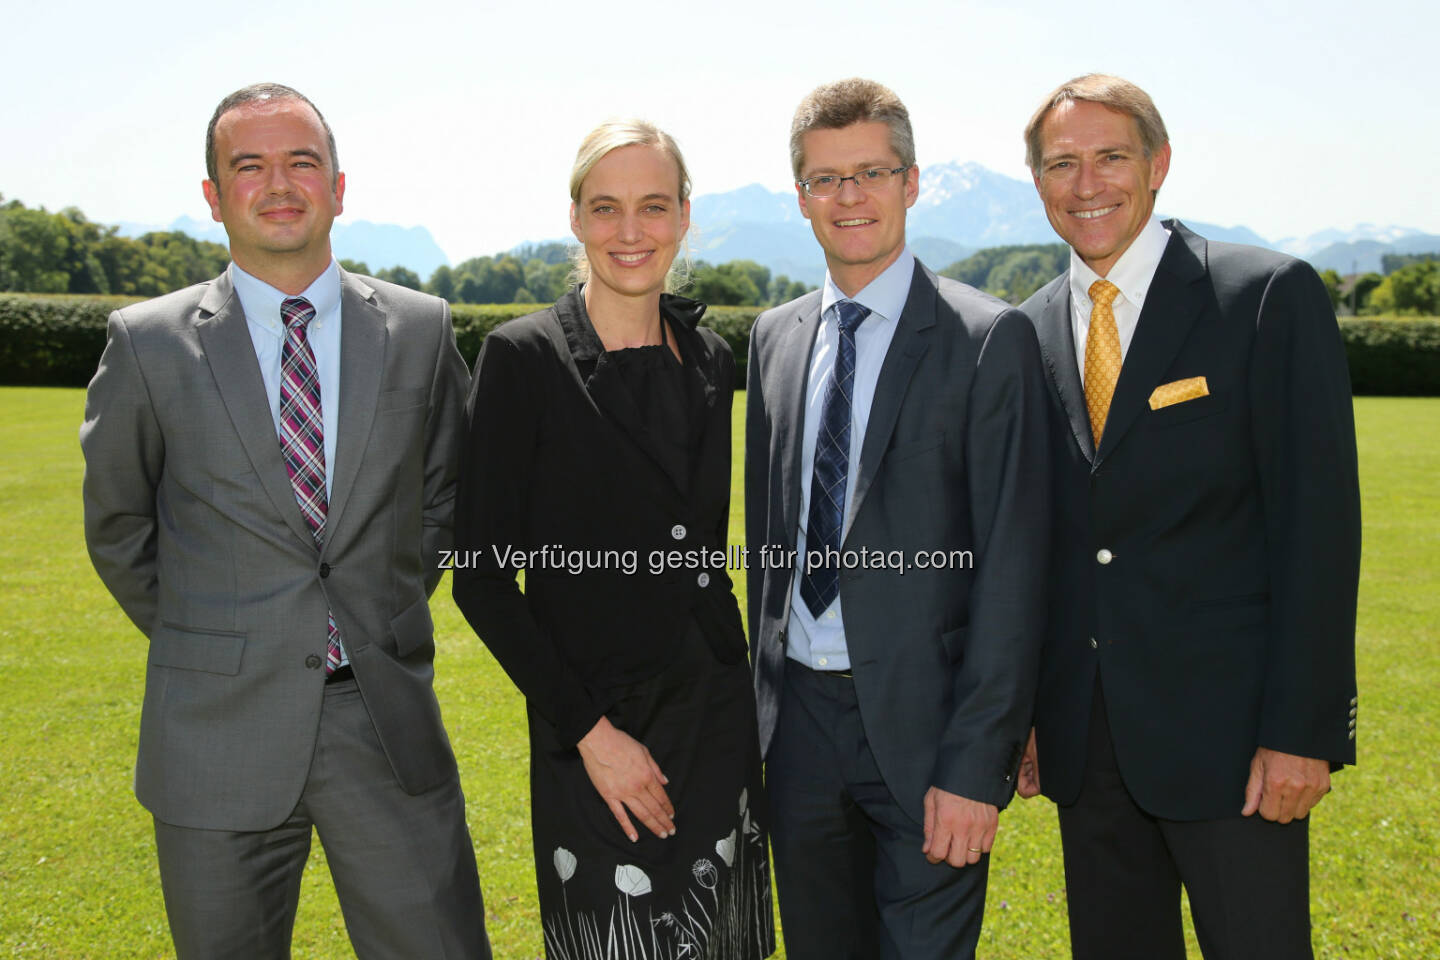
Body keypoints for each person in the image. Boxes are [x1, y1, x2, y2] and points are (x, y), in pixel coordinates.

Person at [79, 83, 489, 959]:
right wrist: (221, 636)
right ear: (213, 195)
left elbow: (446, 498)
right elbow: (119, 527)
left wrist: (378, 610)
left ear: (338, 186)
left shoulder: (420, 329)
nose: (279, 184)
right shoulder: (147, 343)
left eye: (302, 161)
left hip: (381, 721)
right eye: (249, 165)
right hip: (214, 732)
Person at [1015, 73, 1361, 960]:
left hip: (1235, 745)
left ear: (1159, 163)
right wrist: (1025, 716)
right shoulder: (1027, 331)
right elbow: (1037, 544)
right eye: (1062, 163)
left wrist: (1302, 734)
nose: (1086, 183)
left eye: (1110, 157)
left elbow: (1319, 534)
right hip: (1087, 752)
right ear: (1039, 180)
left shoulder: (1264, 297)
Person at [451, 119, 775, 960]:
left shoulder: (707, 354)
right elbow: (481, 581)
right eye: (607, 208)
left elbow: (703, 556)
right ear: (575, 217)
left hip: (717, 727)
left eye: (653, 207)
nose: (630, 232)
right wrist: (592, 736)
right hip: (595, 738)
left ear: (684, 217)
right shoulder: (521, 359)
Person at [744, 77, 1049, 959]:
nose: (850, 198)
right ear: (800, 197)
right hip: (795, 730)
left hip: (927, 739)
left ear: (911, 183)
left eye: (871, 173)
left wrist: (974, 766)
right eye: (825, 179)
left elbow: (1014, 572)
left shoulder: (989, 339)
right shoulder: (774, 338)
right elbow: (771, 546)